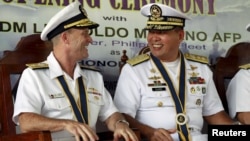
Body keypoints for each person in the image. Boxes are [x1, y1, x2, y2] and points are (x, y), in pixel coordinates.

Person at [12, 1, 138, 141]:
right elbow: (26, 122)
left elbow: (111, 113)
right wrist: (66, 124)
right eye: (85, 34)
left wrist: (120, 123)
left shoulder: (93, 76)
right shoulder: (34, 76)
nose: (90, 40)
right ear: (65, 38)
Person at [114, 3, 234, 141]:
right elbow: (122, 116)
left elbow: (213, 113)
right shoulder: (134, 70)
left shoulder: (201, 68)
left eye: (162, 32)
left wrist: (240, 131)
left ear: (180, 35)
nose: (154, 38)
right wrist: (150, 132)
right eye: (151, 31)